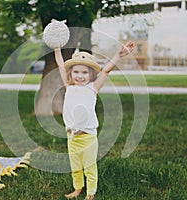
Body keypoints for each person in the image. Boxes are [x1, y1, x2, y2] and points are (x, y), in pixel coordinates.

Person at [54, 41, 134, 200]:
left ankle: (91, 193)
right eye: (76, 72)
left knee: (89, 167)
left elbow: (106, 70)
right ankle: (78, 188)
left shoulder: (93, 88)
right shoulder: (69, 87)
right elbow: (61, 65)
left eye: (84, 72)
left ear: (91, 75)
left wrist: (118, 55)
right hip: (72, 137)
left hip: (88, 137)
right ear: (71, 74)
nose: (80, 76)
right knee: (75, 166)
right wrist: (57, 48)